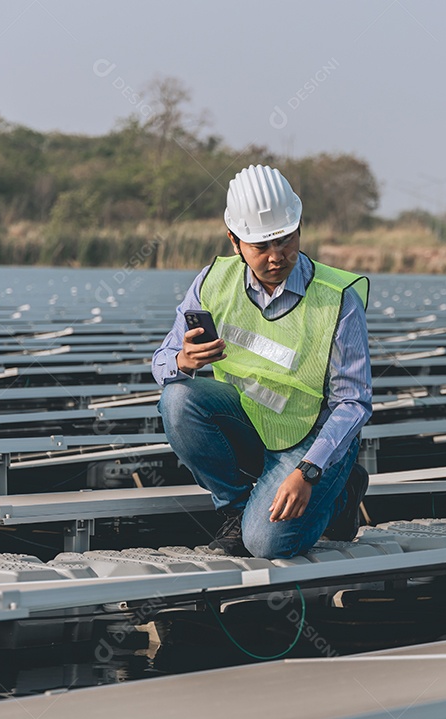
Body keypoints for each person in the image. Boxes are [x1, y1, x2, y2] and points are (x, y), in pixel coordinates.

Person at [151, 164, 371, 559]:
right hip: (251, 421)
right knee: (177, 398)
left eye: (285, 241)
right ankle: (235, 509)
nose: (276, 257)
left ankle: (340, 490)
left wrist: (308, 471)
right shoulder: (212, 283)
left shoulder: (338, 299)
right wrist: (184, 359)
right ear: (234, 242)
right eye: (261, 247)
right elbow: (162, 360)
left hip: (310, 438)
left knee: (267, 544)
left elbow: (353, 403)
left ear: (299, 229)